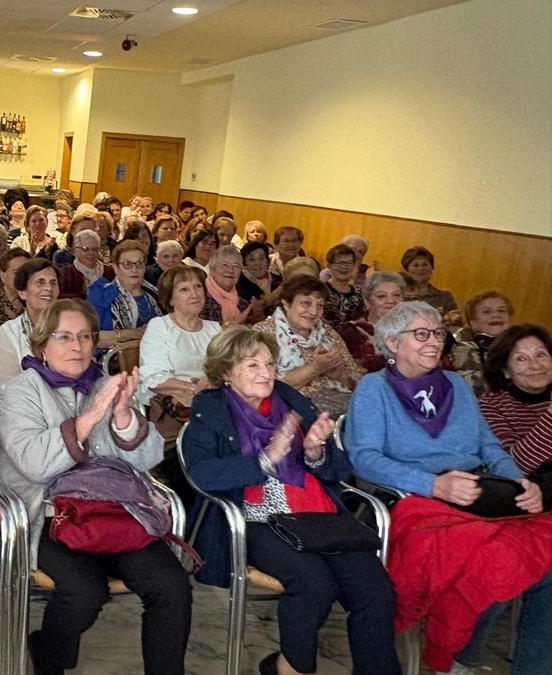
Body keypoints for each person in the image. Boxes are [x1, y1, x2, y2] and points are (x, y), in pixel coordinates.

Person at [346, 301, 552, 674]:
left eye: (438, 333)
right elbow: (365, 459)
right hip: (414, 498)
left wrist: (518, 481)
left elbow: (488, 447)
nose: (434, 341)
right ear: (392, 343)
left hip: (475, 494)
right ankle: (458, 659)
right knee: (500, 557)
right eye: (420, 334)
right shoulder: (373, 389)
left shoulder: (455, 384)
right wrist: (434, 485)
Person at [182, 327, 400, 675]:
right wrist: (264, 461)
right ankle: (292, 668)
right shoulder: (210, 408)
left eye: (269, 364)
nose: (266, 373)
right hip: (256, 519)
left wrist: (315, 452)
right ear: (225, 371)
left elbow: (339, 469)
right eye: (252, 365)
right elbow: (203, 473)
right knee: (314, 584)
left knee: (376, 592)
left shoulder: (291, 399)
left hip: (318, 515)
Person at [0, 299, 189, 675]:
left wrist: (122, 419)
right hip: (52, 518)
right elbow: (34, 464)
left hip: (114, 514)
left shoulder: (103, 383)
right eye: (64, 336)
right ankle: (48, 655)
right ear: (42, 346)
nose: (77, 346)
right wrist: (89, 418)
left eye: (85, 337)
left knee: (171, 585)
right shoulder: (22, 392)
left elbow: (147, 459)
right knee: (85, 592)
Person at [250, 276, 361, 416]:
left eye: (320, 305)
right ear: (286, 302)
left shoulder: (328, 334)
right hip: (292, 411)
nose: (314, 312)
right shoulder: (263, 334)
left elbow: (358, 384)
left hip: (343, 406)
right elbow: (259, 384)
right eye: (306, 303)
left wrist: (341, 376)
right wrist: (315, 368)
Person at [138, 265, 222, 406]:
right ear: (170, 299)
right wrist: (194, 388)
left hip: (214, 398)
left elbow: (227, 369)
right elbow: (154, 378)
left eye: (198, 287)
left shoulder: (214, 329)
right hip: (176, 406)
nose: (194, 294)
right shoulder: (160, 326)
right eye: (184, 289)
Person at [479, 324, 552, 474]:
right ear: (506, 371)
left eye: (540, 355)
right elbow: (515, 466)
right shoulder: (492, 405)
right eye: (521, 359)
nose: (535, 365)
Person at [0, 258, 60, 389]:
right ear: (22, 293)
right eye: (40, 283)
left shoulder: (71, 325)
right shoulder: (9, 332)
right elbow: (8, 388)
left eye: (53, 283)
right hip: (27, 404)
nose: (48, 288)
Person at [87, 239, 159, 347]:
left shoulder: (155, 295)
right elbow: (90, 337)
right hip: (115, 360)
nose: (134, 269)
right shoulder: (100, 294)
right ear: (116, 268)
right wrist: (135, 334)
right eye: (127, 264)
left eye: (139, 263)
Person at [336, 271, 405, 374]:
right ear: (367, 302)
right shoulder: (352, 331)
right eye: (381, 296)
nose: (391, 301)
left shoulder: (413, 329)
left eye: (396, 295)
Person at [451, 290, 513, 396]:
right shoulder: (464, 348)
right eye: (486, 312)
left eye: (501, 311)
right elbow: (477, 392)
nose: (496, 315)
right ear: (473, 322)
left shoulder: (522, 345)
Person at [201, 244, 253, 326]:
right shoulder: (200, 297)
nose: (231, 270)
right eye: (225, 265)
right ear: (212, 269)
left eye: (236, 266)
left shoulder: (243, 304)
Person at [58, 229, 112, 300]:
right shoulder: (66, 274)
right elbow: (62, 298)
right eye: (85, 249)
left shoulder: (110, 272)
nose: (91, 253)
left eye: (95, 249)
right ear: (76, 251)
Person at [322, 243, 366, 325]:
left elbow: (362, 321)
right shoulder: (320, 291)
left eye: (349, 263)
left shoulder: (359, 294)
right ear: (329, 266)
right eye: (339, 263)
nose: (344, 267)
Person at [236, 241, 279, 311]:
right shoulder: (238, 285)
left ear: (267, 261)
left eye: (261, 258)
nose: (258, 263)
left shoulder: (278, 280)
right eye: (252, 260)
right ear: (244, 264)